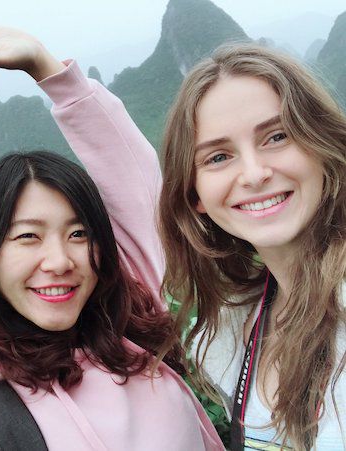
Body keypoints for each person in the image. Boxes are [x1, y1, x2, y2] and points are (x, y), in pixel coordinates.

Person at [0, 20, 346, 450]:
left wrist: (55, 75)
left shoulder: (128, 324)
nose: (58, 260)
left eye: (79, 233)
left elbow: (135, 188)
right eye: (28, 237)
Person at [158, 46, 346, 450]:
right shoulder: (234, 330)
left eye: (277, 136)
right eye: (218, 157)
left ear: (323, 147)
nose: (255, 174)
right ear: (195, 196)